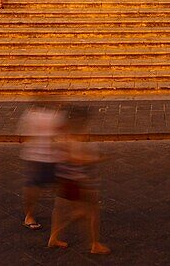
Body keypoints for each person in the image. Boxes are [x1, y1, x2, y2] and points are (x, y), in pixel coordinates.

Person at [47, 105, 109, 255]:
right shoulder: (72, 139)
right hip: (75, 181)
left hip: (62, 178)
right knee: (92, 210)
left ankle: (53, 237)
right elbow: (75, 159)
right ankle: (95, 244)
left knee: (60, 210)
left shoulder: (60, 136)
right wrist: (95, 159)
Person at [20, 98, 66, 231]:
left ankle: (32, 216)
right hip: (38, 156)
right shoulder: (32, 115)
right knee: (34, 188)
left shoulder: (54, 115)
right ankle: (30, 215)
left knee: (56, 186)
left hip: (49, 156)